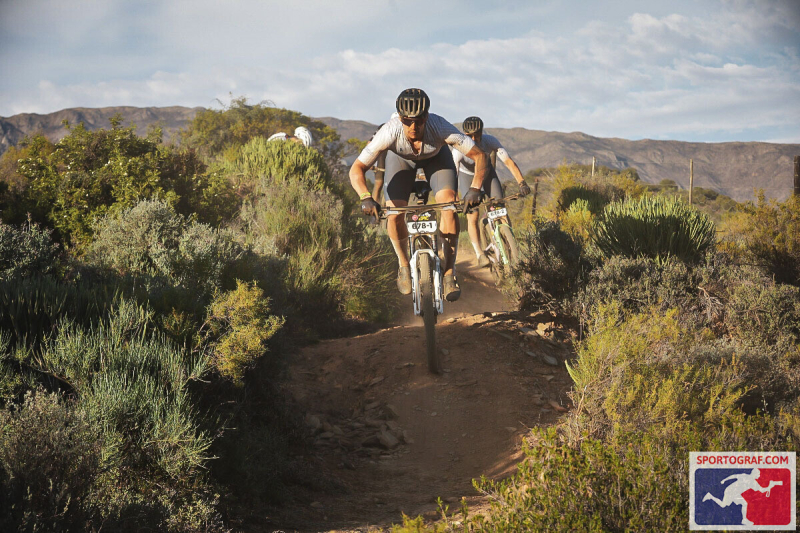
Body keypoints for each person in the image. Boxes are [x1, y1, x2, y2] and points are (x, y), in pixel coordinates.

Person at [349, 88, 489, 300]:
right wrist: (365, 197)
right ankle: (404, 265)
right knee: (394, 213)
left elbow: (480, 156)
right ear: (400, 118)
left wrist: (475, 188)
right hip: (401, 161)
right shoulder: (389, 131)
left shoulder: (440, 126)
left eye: (419, 120)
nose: (413, 126)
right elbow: (356, 169)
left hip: (437, 159)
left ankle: (450, 273)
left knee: (449, 206)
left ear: (427, 116)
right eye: (407, 121)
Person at [453, 116, 530, 267]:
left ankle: (510, 243)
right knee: (472, 215)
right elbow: (453, 175)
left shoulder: (490, 141)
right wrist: (456, 199)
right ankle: (479, 253)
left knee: (500, 208)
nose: (474, 138)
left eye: (477, 134)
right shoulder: (458, 149)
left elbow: (509, 162)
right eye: (469, 135)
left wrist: (522, 182)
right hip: (466, 177)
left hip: (487, 174)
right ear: (464, 134)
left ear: (482, 132)